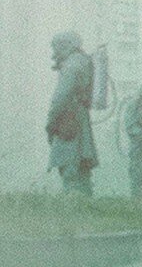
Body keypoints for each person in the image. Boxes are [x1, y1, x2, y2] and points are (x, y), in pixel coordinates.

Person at [46, 31, 98, 196]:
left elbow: (61, 97)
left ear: (66, 45)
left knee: (69, 166)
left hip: (69, 120)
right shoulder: (83, 61)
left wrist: (50, 121)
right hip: (79, 117)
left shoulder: (71, 65)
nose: (55, 52)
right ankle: (85, 201)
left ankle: (72, 201)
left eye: (56, 47)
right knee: (82, 166)